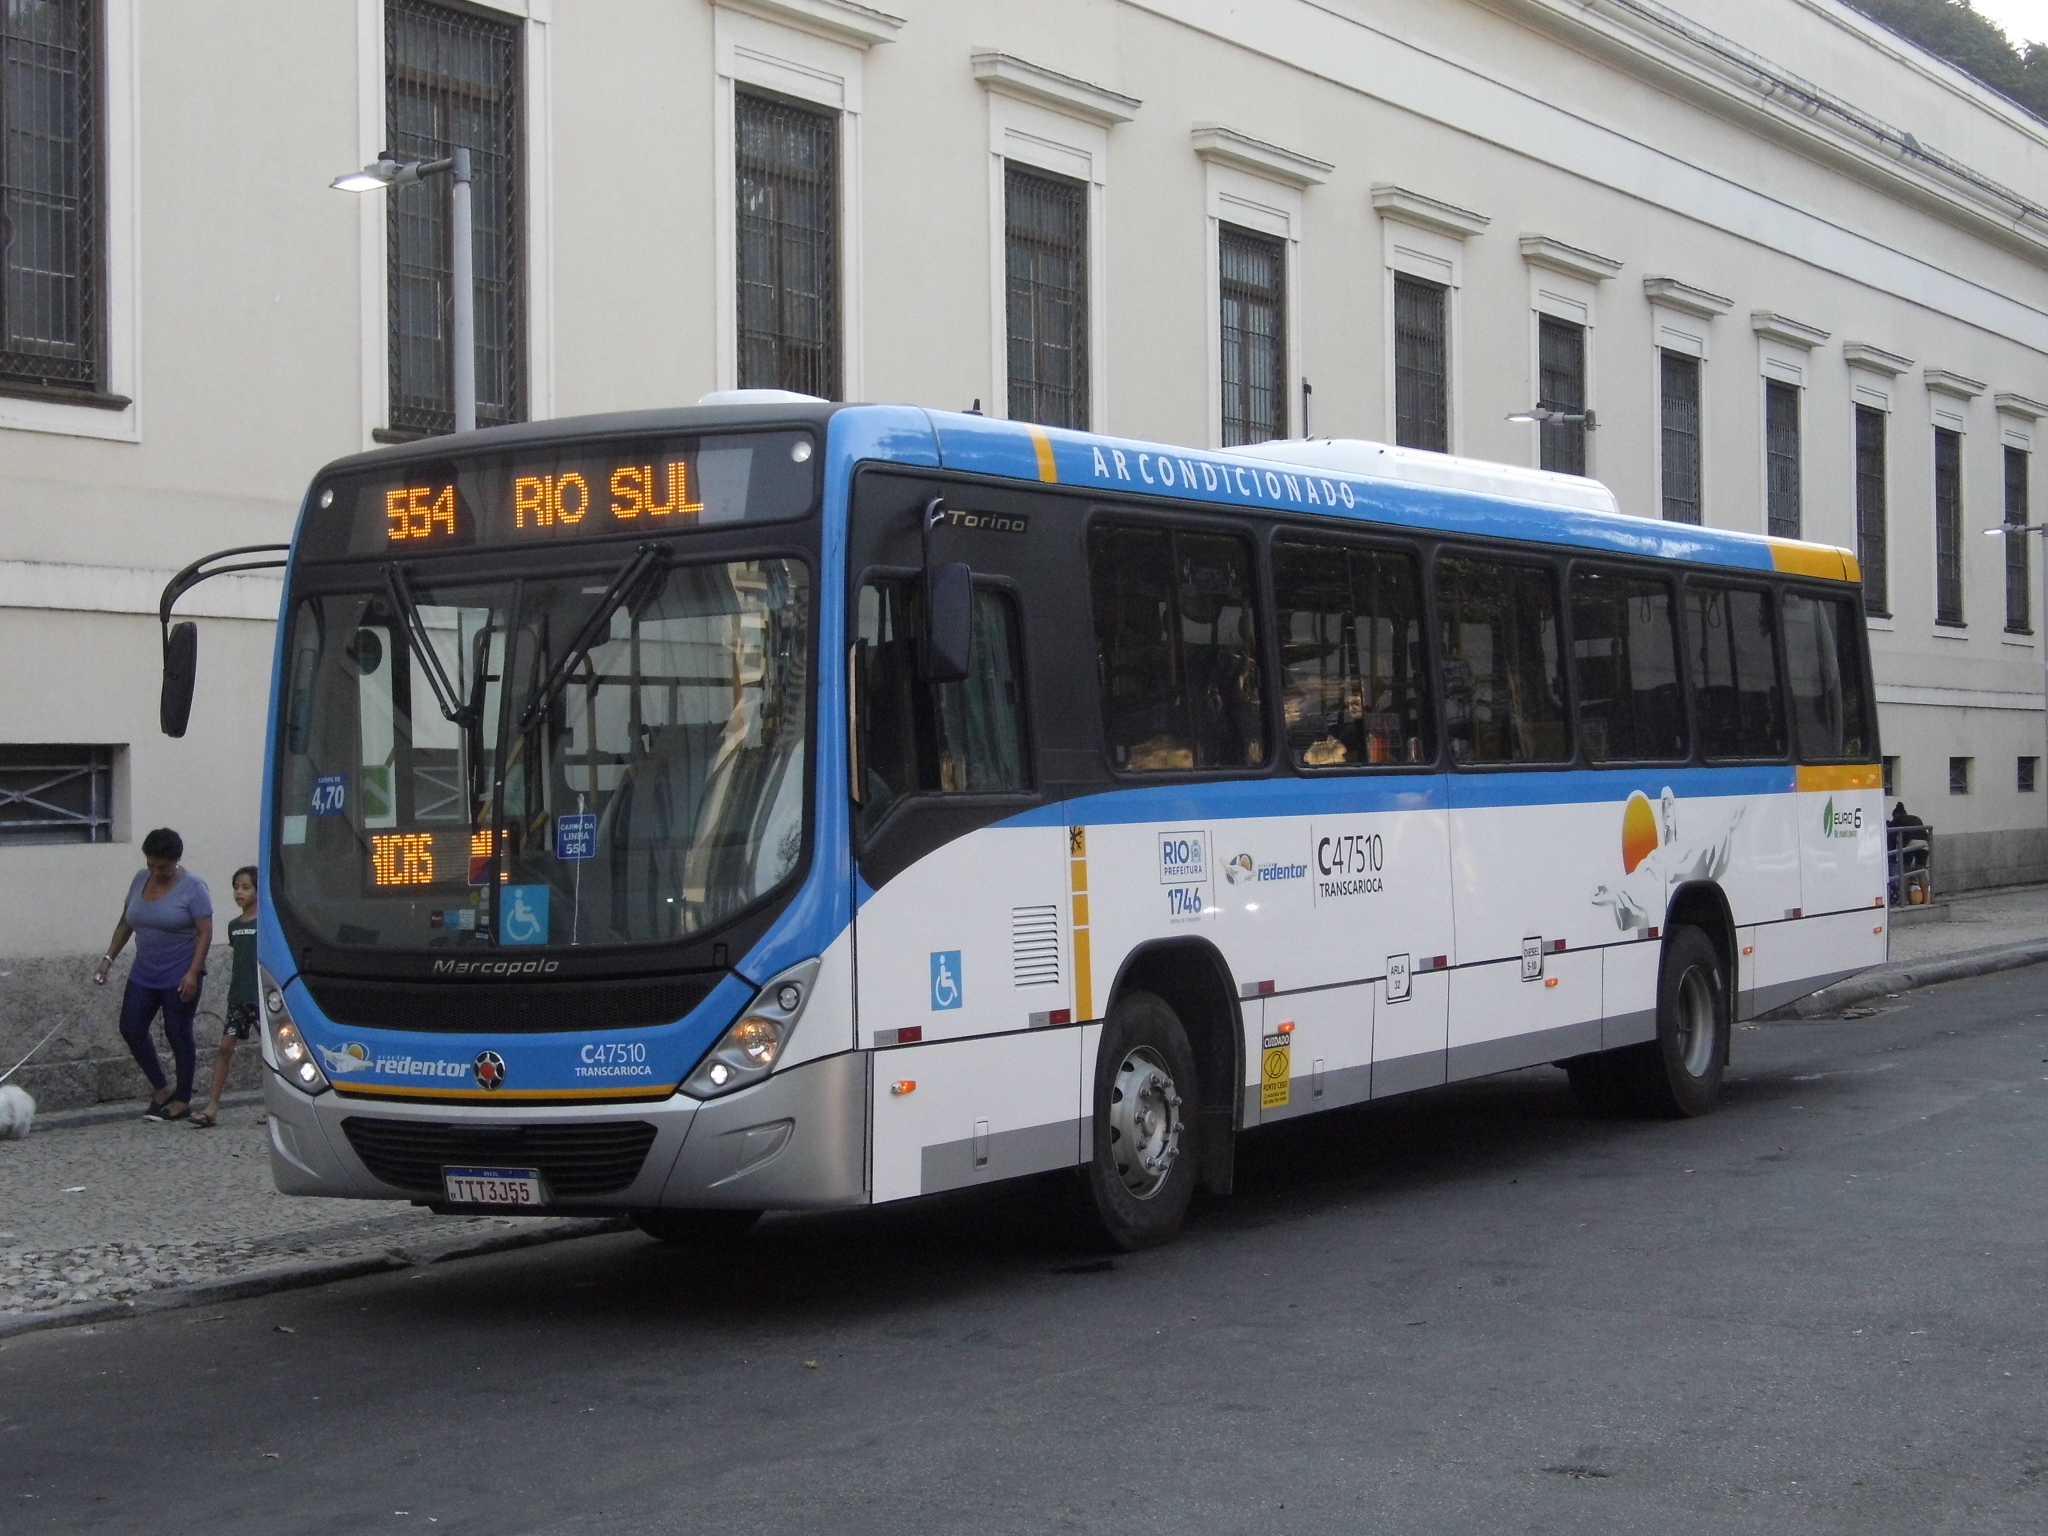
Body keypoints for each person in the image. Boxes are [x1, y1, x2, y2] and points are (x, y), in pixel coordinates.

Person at [93, 828, 213, 1122]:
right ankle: (161, 1087)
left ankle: (183, 1099)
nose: (156, 872)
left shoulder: (194, 887)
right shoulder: (140, 880)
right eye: (151, 865)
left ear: (176, 861)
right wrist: (108, 958)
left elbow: (205, 933)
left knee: (177, 1032)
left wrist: (192, 973)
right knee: (131, 1028)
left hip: (180, 972)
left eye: (163, 867)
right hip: (145, 970)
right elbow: (126, 922)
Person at [193, 865, 257, 1129]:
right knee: (224, 1047)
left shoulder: (266, 922)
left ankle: (277, 1106)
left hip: (262, 998)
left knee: (274, 1055)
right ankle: (212, 1106)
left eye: (246, 887)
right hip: (238, 998)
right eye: (236, 887)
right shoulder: (233, 926)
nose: (239, 893)